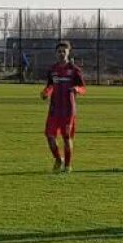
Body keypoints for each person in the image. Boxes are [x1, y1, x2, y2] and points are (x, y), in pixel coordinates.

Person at [42, 41, 86, 173]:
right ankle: (58, 159)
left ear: (68, 52)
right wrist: (46, 93)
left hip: (68, 110)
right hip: (54, 109)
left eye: (64, 51)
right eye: (59, 51)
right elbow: (50, 86)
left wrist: (77, 89)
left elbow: (84, 88)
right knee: (50, 136)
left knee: (66, 137)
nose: (61, 53)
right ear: (56, 53)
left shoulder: (74, 70)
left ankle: (67, 165)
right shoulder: (52, 70)